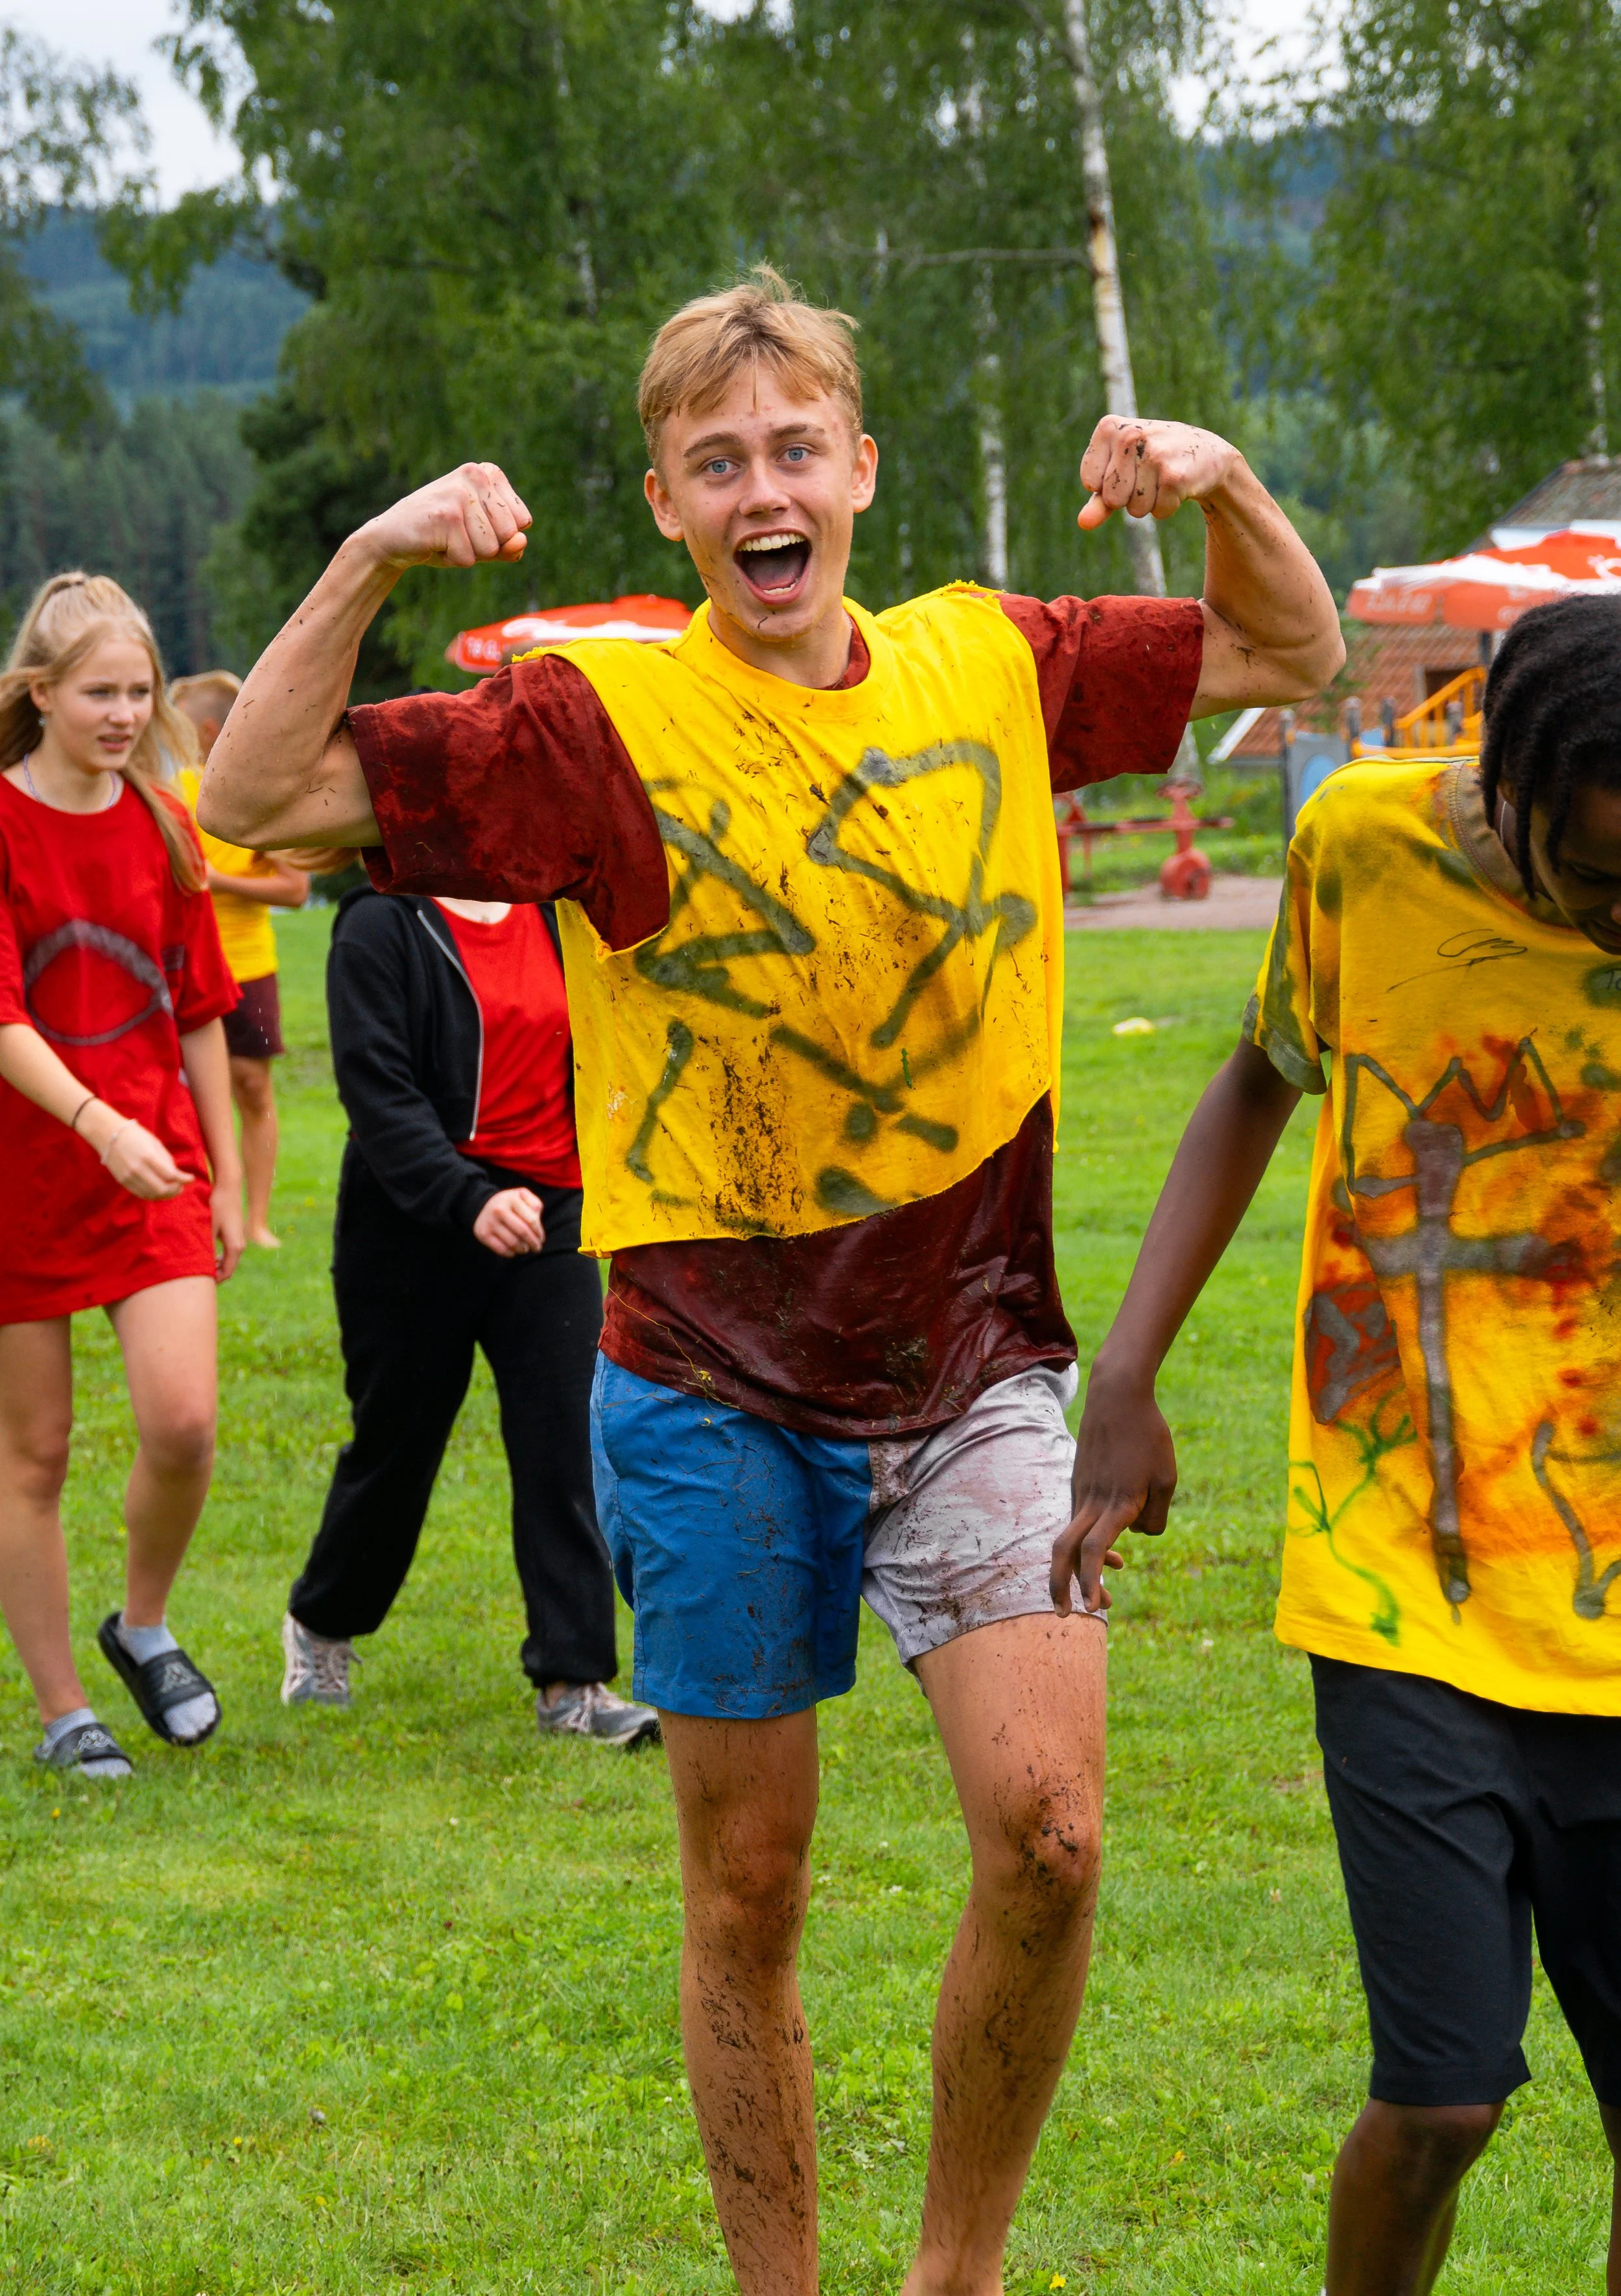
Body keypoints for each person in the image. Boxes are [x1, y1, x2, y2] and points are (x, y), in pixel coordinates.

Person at [196, 267, 1340, 2294]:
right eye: (718, 461)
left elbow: (1291, 645)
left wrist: (1225, 473)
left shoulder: (989, 658)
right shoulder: (593, 724)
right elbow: (254, 797)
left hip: (972, 1350)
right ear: (666, 502)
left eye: (792, 447)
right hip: (708, 1375)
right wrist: (371, 551)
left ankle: (952, 2271)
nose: (761, 488)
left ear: (859, 469)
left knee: (1051, 1834)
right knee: (746, 1886)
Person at [1055, 592, 1621, 2296]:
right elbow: (1256, 1075)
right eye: (1594, 876)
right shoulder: (1362, 844)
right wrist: (1127, 1372)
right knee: (1442, 2093)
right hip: (1401, 1584)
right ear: (1506, 786)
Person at [278, 872, 659, 1748]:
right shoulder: (378, 925)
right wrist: (466, 1198)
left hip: (550, 1214)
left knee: (566, 1440)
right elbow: (379, 1096)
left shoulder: (560, 914)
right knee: (398, 1449)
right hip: (415, 1223)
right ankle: (322, 1621)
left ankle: (576, 1681)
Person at [0, 575, 243, 1782]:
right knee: (34, 1451)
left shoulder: (165, 820)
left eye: (138, 690)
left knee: (184, 1422)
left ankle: (142, 1625)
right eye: (99, 691)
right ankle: (63, 1712)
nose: (122, 712)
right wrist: (97, 1123)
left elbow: (203, 1012)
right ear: (38, 693)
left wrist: (233, 1178)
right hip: (27, 1180)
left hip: (155, 1169)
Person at [170, 672, 311, 1250]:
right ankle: (197, 1212)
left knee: (252, 1088)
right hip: (182, 964)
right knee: (187, 1093)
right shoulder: (171, 792)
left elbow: (296, 890)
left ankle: (256, 1221)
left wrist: (215, 880)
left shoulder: (260, 794)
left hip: (249, 963)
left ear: (205, 730)